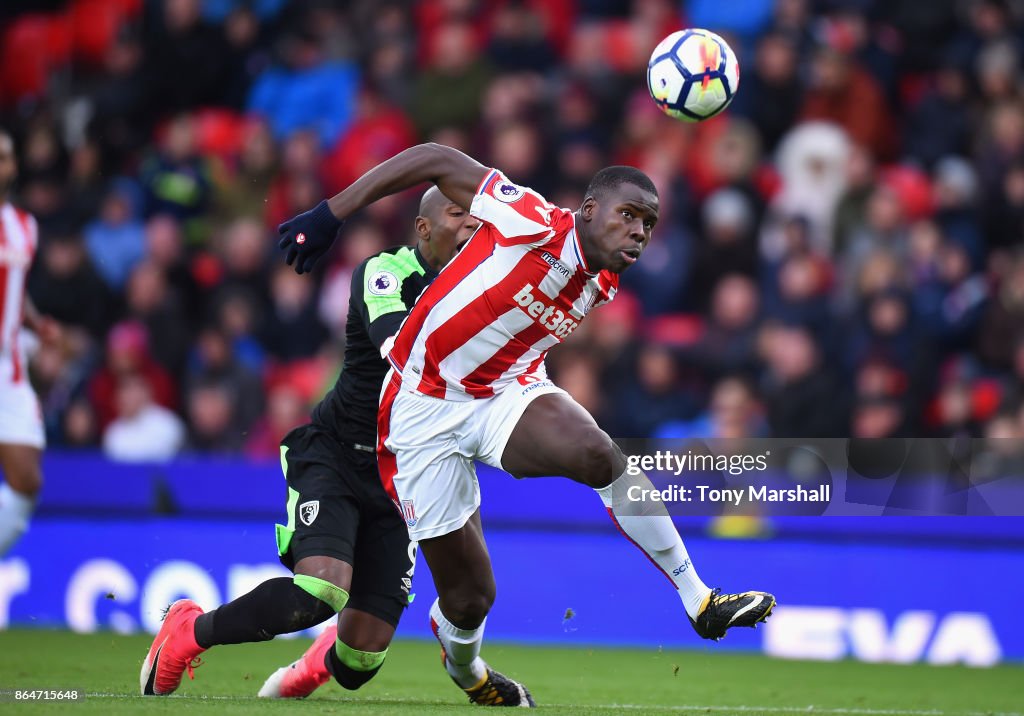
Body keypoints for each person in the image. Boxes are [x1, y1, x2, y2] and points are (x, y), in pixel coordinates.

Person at [280, 143, 775, 706]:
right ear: (588, 210)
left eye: (649, 224)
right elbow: (434, 158)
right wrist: (331, 213)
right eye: (628, 215)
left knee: (601, 456)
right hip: (421, 405)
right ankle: (467, 671)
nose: (640, 232)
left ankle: (699, 599)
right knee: (469, 600)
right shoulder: (533, 219)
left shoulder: (603, 277)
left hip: (505, 389)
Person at [140, 188, 480, 698]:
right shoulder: (383, 273)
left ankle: (315, 662)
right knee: (321, 590)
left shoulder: (480, 291)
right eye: (458, 214)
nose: (473, 224)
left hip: (404, 475)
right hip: (338, 453)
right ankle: (188, 630)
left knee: (359, 661)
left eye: (479, 217)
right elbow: (404, 353)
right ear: (424, 227)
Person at [0, 128, 61, 557]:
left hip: (9, 368)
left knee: (27, 480)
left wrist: (36, 322)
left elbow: (15, 288)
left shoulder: (24, 227)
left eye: (4, 156)